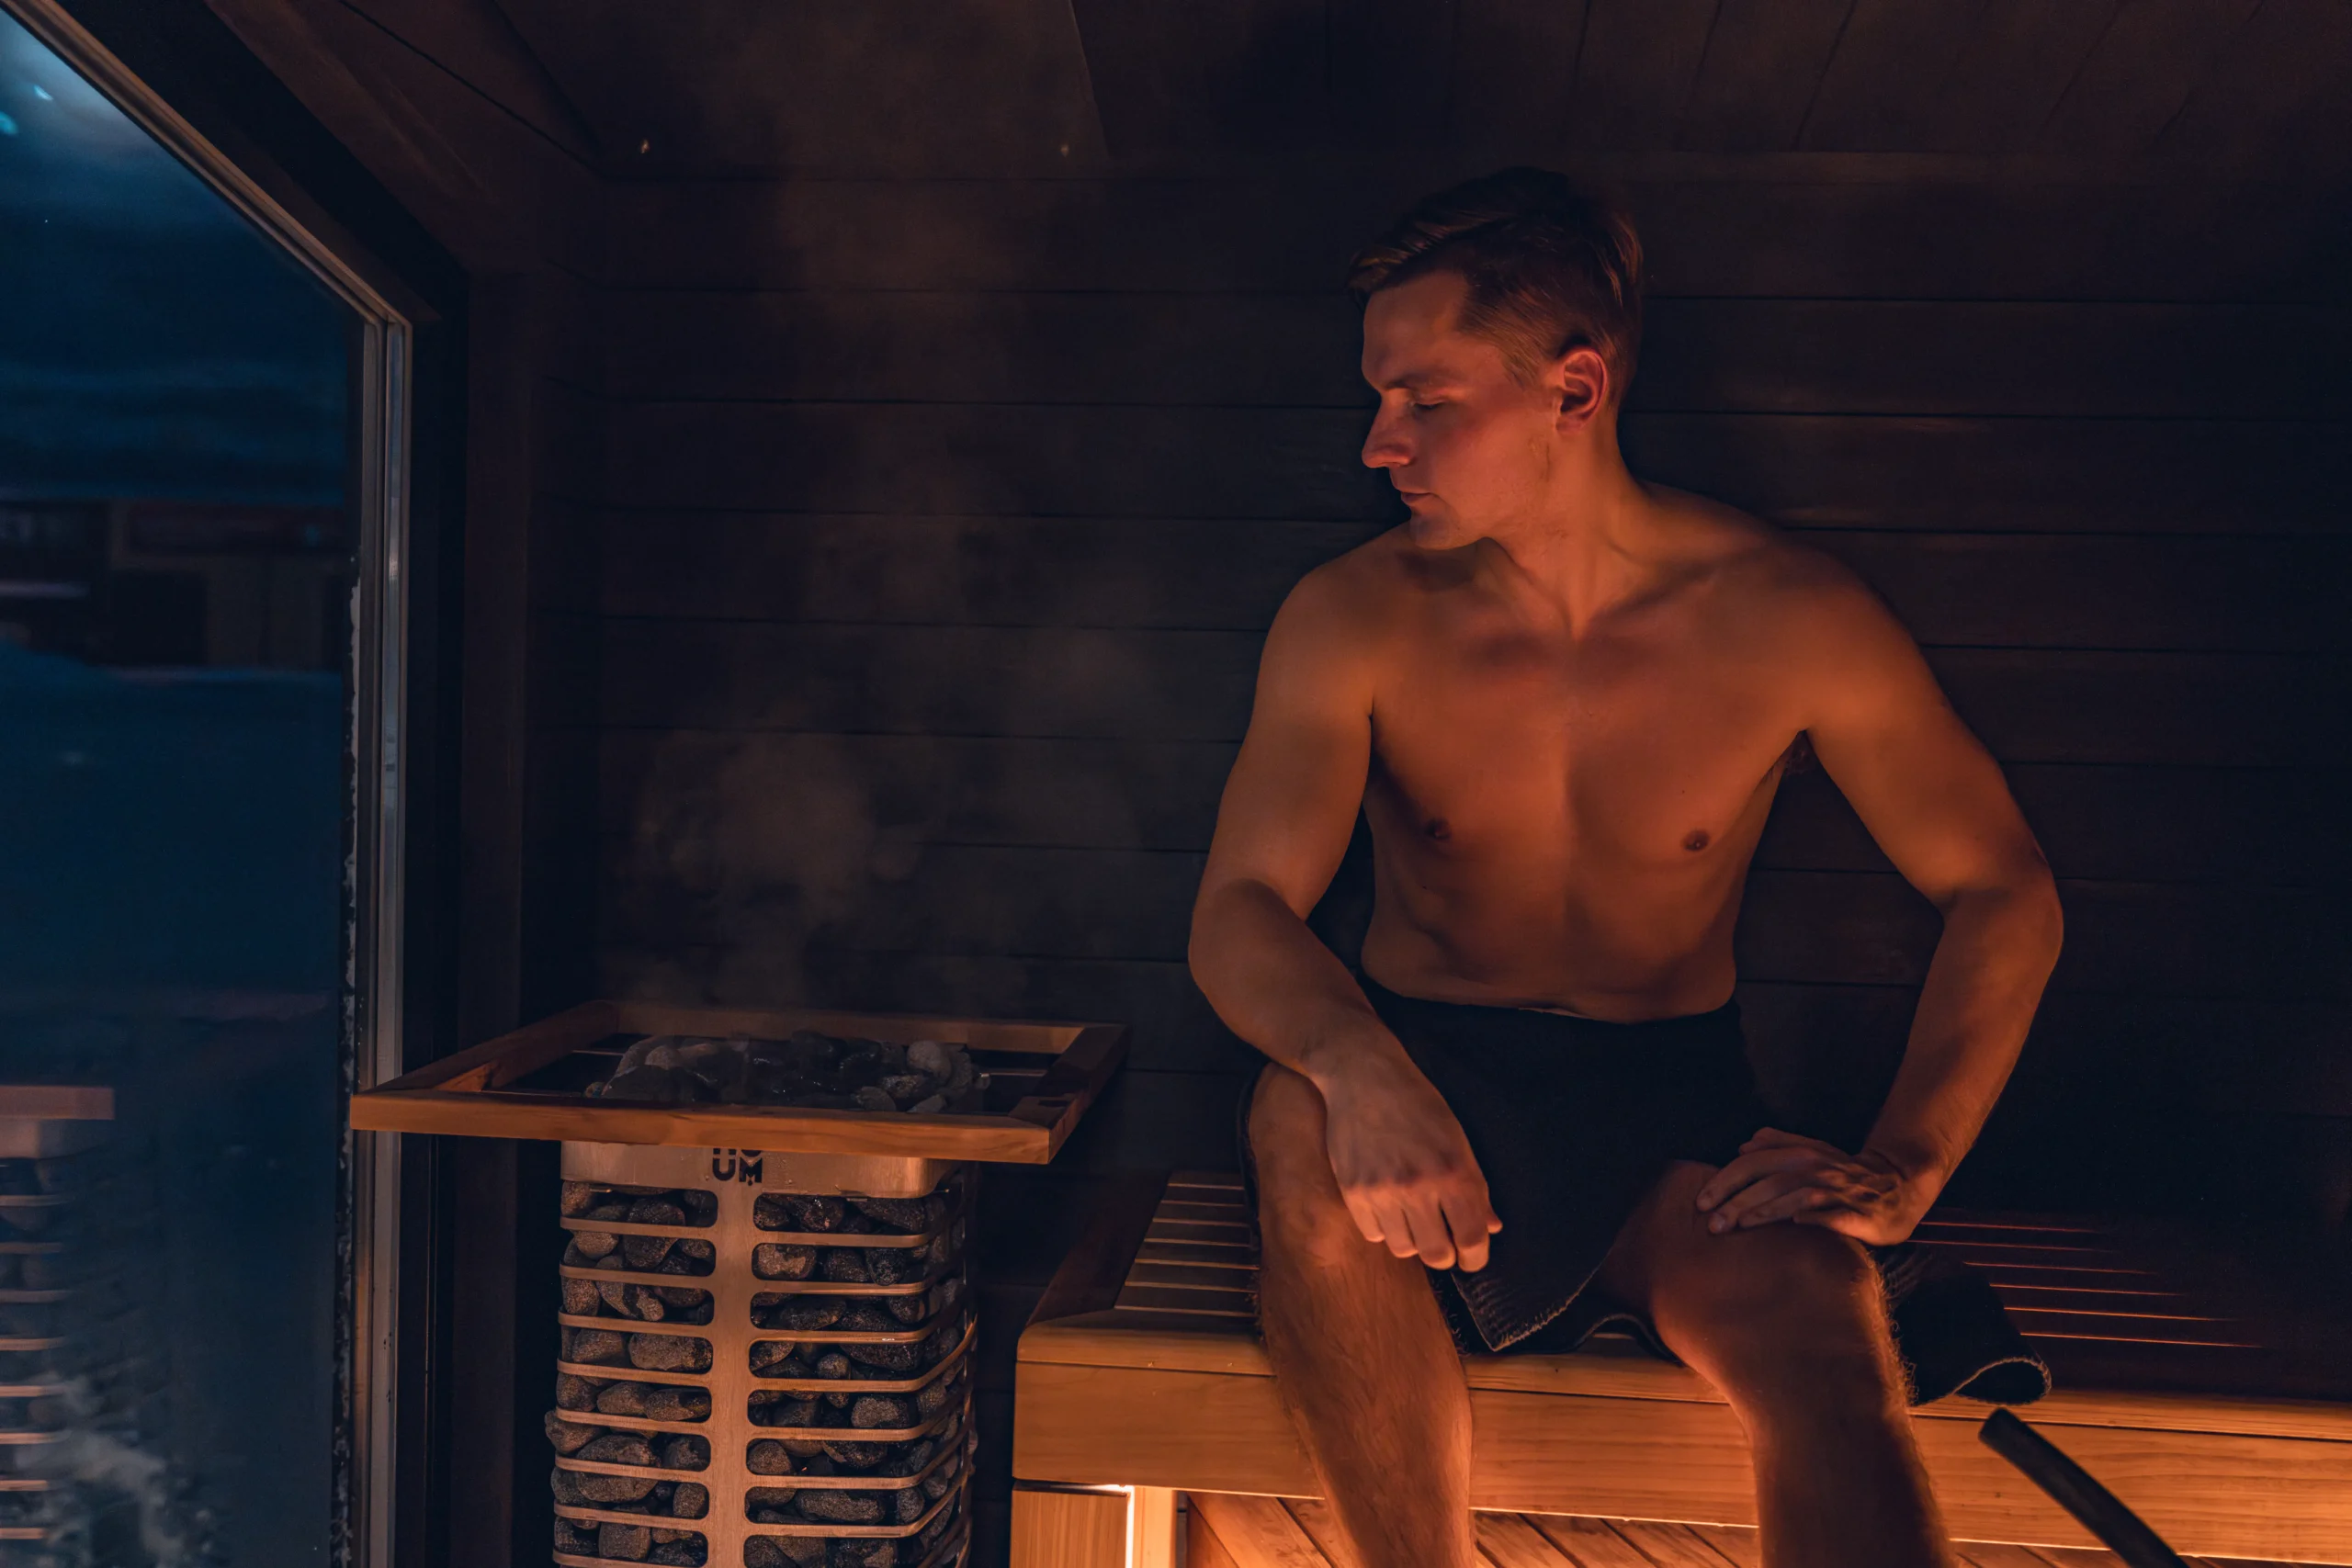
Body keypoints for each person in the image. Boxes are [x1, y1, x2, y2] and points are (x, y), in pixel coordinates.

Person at [1186, 168, 2064, 1568]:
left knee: (1823, 1319)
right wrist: (1357, 1063)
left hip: (1670, 1098)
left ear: (1575, 389)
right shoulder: (1353, 618)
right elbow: (1240, 909)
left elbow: (2003, 888)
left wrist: (1907, 1165)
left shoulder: (1788, 616)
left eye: (1425, 399)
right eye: (1379, 398)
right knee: (1297, 1119)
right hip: (1432, 1067)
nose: (1379, 443)